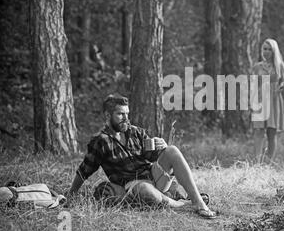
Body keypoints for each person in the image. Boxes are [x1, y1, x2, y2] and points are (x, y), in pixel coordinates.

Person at [66, 93, 217, 219]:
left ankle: (198, 202)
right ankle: (183, 204)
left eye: (127, 114)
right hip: (133, 184)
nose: (125, 118)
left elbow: (152, 156)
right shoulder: (100, 141)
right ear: (107, 115)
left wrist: (162, 146)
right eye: (120, 114)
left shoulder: (135, 132)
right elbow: (84, 170)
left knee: (172, 150)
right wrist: (71, 194)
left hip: (153, 176)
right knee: (145, 189)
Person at [251, 38, 284, 162]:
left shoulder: (280, 66)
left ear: (274, 51)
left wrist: (283, 87)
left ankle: (269, 162)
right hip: (260, 99)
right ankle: (257, 162)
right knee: (258, 130)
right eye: (264, 49)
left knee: (272, 132)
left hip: (274, 100)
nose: (266, 52)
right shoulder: (257, 67)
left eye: (269, 49)